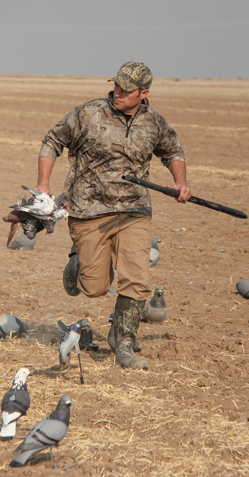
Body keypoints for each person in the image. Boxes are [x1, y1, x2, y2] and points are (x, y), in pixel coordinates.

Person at [36, 61, 191, 370]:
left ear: (143, 93)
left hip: (134, 210)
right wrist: (43, 184)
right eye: (116, 85)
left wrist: (181, 182)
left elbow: (173, 152)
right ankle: (78, 259)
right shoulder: (89, 113)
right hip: (89, 210)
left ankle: (123, 343)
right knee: (94, 287)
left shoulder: (154, 123)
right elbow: (52, 141)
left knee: (137, 278)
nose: (117, 92)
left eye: (126, 89)